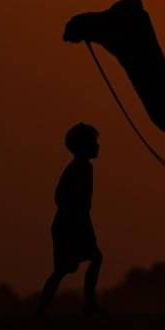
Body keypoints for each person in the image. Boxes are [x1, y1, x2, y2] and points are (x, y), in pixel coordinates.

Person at [38, 123, 104, 316]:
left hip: (77, 222)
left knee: (86, 261)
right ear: (84, 146)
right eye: (93, 142)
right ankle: (86, 306)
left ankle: (87, 306)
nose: (97, 146)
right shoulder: (77, 169)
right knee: (64, 268)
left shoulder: (83, 168)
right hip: (70, 224)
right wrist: (75, 215)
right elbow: (60, 197)